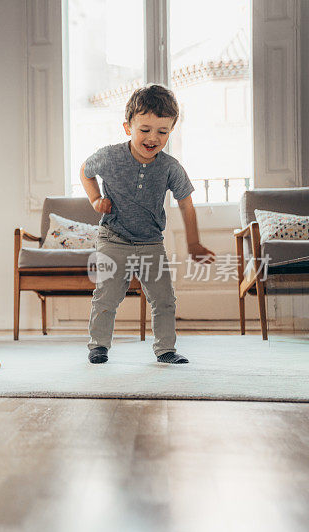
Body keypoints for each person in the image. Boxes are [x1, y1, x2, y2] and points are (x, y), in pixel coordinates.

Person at [79, 84, 216, 365]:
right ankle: (99, 346)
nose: (153, 138)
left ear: (170, 131)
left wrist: (193, 243)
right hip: (113, 239)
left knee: (164, 299)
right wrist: (95, 200)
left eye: (162, 132)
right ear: (128, 127)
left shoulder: (170, 167)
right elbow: (85, 171)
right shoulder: (110, 156)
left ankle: (166, 349)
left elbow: (186, 203)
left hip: (151, 243)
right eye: (145, 129)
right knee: (106, 297)